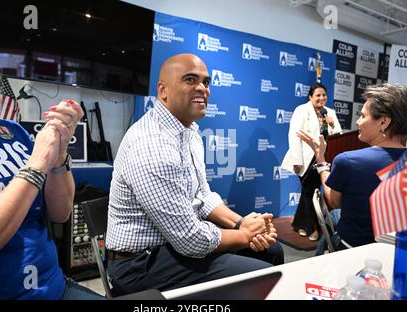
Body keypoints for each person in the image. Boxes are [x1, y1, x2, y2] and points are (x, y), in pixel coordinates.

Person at [106, 53, 284, 295]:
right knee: (262, 275)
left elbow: (202, 195)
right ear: (163, 90)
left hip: (172, 246)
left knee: (272, 252)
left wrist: (242, 223)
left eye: (206, 82)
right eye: (190, 80)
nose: (202, 88)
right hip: (139, 265)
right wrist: (244, 235)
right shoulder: (152, 144)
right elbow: (189, 239)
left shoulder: (188, 131)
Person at [0, 12, 104, 299]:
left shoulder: (12, 132)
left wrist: (59, 152)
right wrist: (37, 164)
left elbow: (61, 212)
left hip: (55, 288)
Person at [297, 83, 407, 250]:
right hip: (398, 251)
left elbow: (333, 200)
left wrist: (320, 161)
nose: (357, 121)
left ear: (383, 122)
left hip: (353, 249)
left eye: (363, 116)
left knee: (334, 215)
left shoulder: (347, 161)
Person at [281, 83, 342, 241]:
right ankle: (314, 228)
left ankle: (300, 223)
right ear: (310, 97)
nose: (322, 98)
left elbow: (338, 135)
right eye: (318, 95)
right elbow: (294, 136)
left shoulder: (330, 113)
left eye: (324, 95)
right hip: (306, 159)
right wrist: (297, 159)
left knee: (308, 192)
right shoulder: (301, 110)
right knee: (310, 192)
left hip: (325, 159)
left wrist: (332, 124)